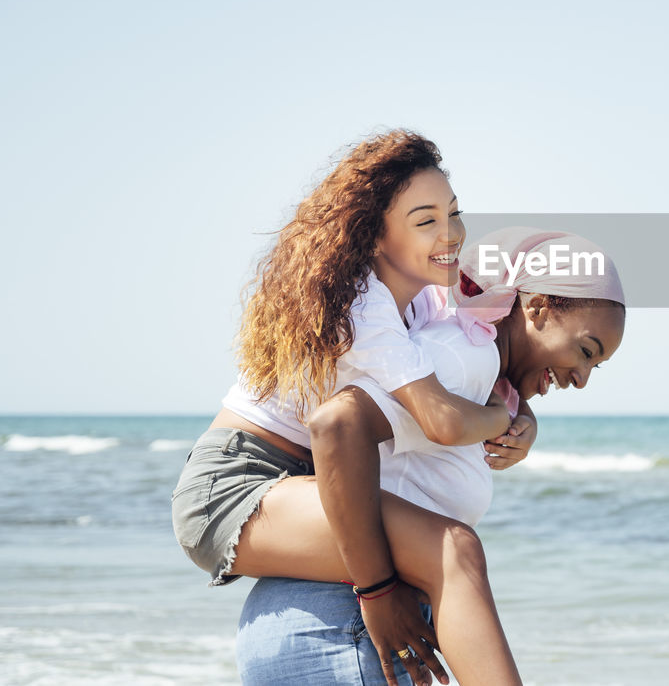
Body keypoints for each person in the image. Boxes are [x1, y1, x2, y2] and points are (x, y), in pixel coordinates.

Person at [172, 132, 539, 685]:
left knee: (454, 553)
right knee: (455, 551)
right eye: (426, 221)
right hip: (235, 485)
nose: (451, 234)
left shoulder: (424, 293)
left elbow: (489, 361)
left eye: (455, 213)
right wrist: (378, 591)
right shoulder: (361, 304)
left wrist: (525, 416)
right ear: (374, 234)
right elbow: (442, 419)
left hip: (300, 475)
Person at [235, 227, 627, 685]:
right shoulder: (463, 359)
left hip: (337, 623)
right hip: (349, 628)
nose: (580, 379)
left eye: (593, 367)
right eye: (584, 352)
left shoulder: (481, 376)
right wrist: (377, 592)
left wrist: (521, 420)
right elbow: (338, 424)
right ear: (536, 307)